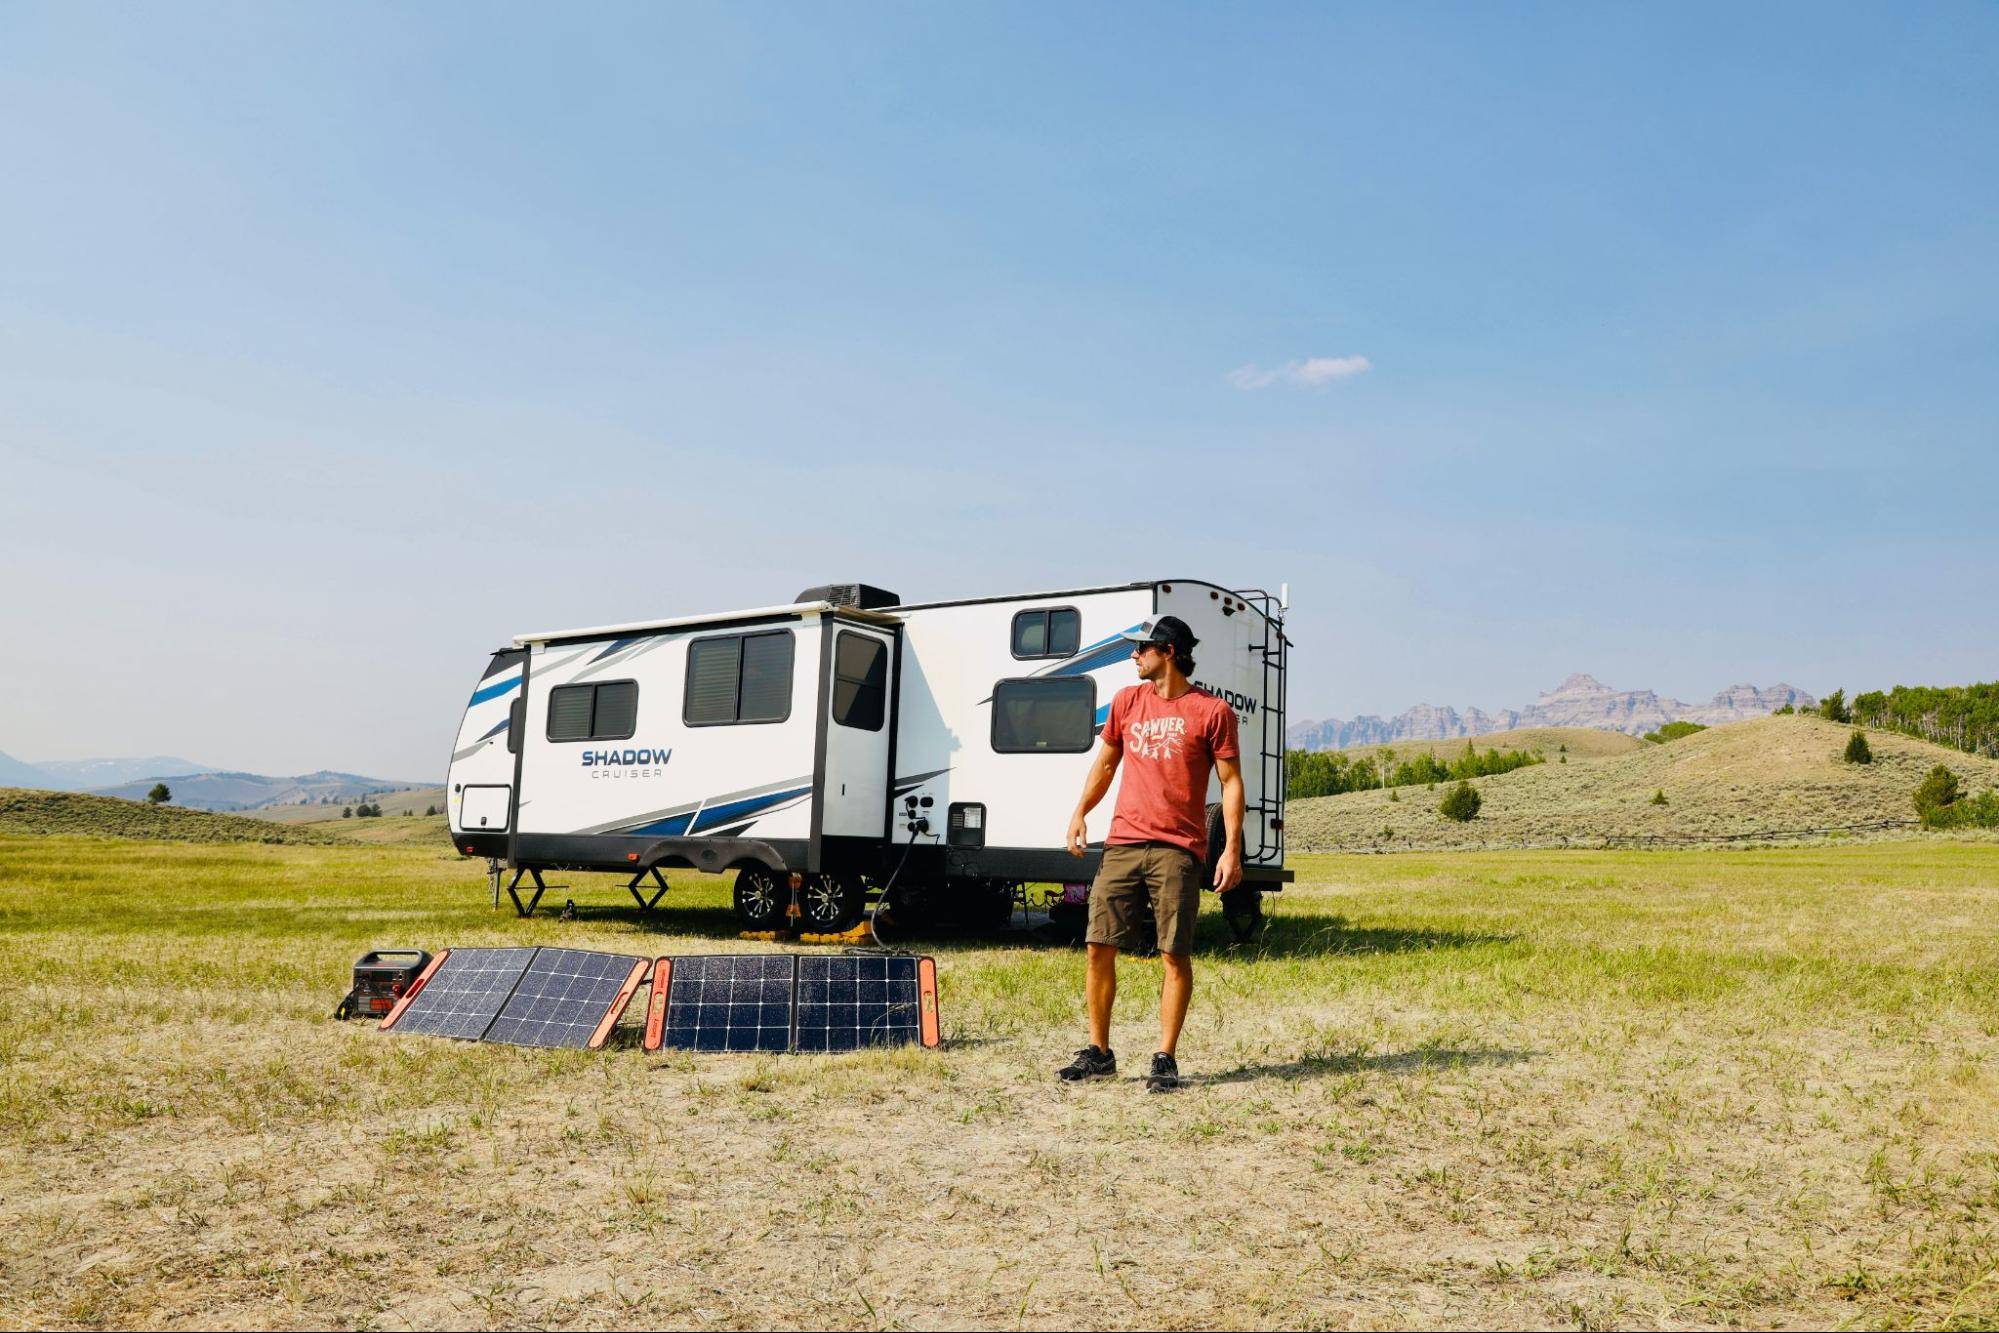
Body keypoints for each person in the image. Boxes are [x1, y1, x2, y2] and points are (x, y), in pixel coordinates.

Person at [1058, 614, 1243, 1091]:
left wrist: (1231, 850)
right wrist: (1080, 811)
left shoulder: (1212, 711)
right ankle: (1099, 1053)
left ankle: (1165, 1057)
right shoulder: (1126, 702)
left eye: (1143, 648)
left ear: (1170, 652)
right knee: (1099, 946)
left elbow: (1231, 783)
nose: (1134, 655)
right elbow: (1105, 764)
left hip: (1178, 849)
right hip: (1122, 842)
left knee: (1173, 954)